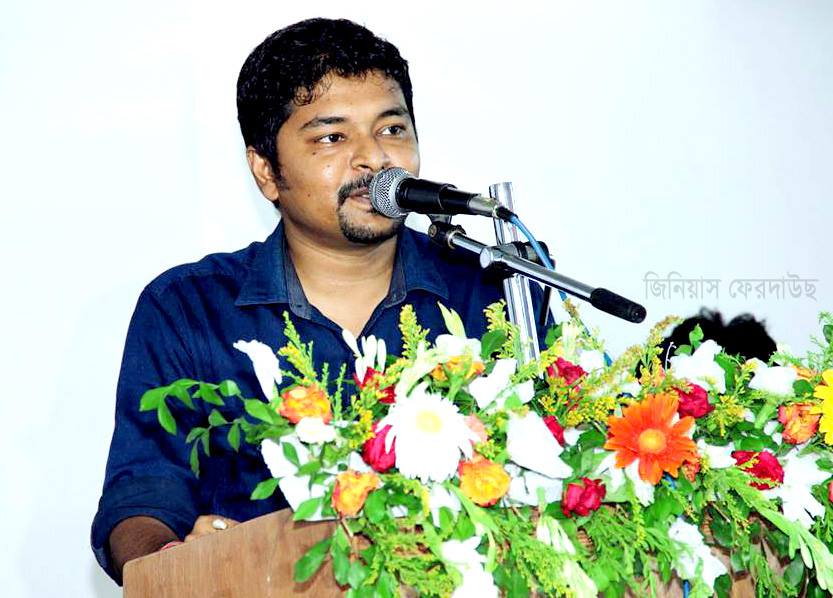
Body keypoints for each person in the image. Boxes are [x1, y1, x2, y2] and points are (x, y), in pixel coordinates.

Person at [91, 18, 549, 584]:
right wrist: (173, 561)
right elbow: (142, 494)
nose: (373, 159)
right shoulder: (189, 307)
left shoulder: (494, 289)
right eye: (332, 138)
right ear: (266, 171)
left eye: (392, 129)